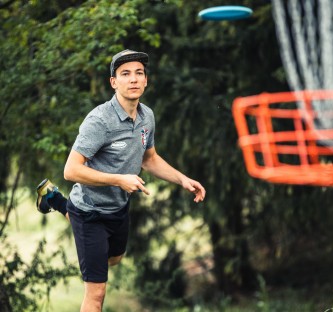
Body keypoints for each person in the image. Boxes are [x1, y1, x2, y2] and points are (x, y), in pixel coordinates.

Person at [35, 49, 206, 312]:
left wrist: (182, 179)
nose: (134, 79)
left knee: (114, 260)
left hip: (117, 209)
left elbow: (149, 159)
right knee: (96, 294)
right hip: (88, 211)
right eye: (125, 74)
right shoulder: (99, 121)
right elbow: (71, 170)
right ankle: (67, 207)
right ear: (114, 82)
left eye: (139, 73)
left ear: (146, 80)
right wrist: (118, 179)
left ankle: (56, 200)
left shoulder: (147, 116)